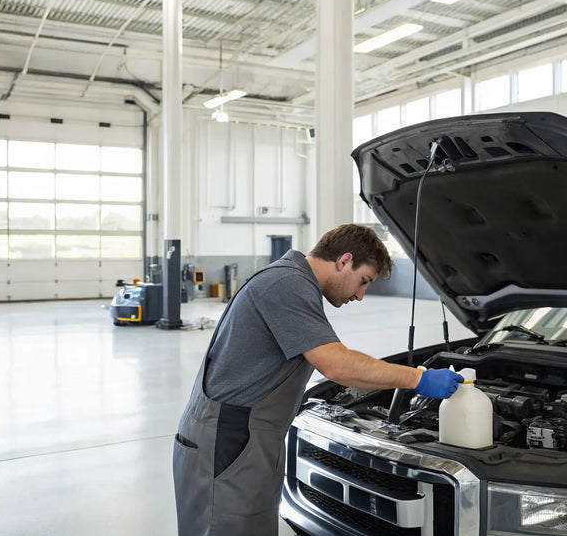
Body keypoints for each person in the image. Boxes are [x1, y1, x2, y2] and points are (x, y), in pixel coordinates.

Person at [172, 223, 464, 536]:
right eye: (363, 281)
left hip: (248, 440)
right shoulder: (287, 284)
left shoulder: (293, 281)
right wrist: (417, 379)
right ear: (344, 261)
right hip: (227, 441)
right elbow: (337, 365)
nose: (361, 295)